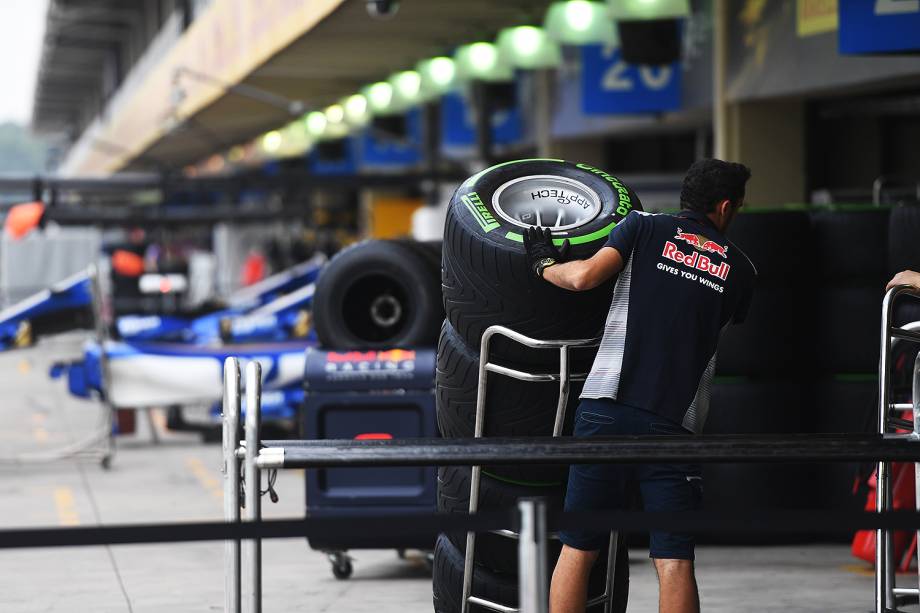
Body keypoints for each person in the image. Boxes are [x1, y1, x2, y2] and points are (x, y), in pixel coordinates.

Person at [523, 159, 756, 613]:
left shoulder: (642, 227)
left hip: (604, 406)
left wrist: (541, 261)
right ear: (726, 207)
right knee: (674, 561)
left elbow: (582, 277)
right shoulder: (743, 270)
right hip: (674, 423)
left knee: (579, 547)